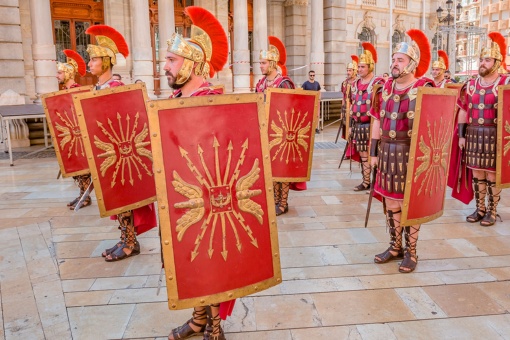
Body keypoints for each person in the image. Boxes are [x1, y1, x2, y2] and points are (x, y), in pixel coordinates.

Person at [164, 7, 229, 340]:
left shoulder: (213, 101)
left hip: (208, 199)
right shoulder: (174, 99)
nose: (166, 66)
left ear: (190, 64)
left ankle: (214, 329)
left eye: (172, 60)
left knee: (210, 260)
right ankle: (198, 319)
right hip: (180, 197)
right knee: (189, 258)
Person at [85, 24, 157, 262]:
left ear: (105, 61)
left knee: (125, 199)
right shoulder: (98, 88)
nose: (89, 63)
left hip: (122, 153)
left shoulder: (118, 88)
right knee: (116, 200)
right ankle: (125, 237)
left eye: (94, 59)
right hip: (107, 153)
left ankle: (130, 242)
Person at [369, 29, 433, 273]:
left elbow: (433, 125)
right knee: (390, 201)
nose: (395, 63)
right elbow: (376, 120)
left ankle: (412, 251)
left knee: (410, 203)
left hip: (411, 153)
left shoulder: (425, 87)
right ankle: (395, 246)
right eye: (394, 59)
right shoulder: (384, 88)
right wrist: (373, 153)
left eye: (400, 60)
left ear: (412, 64)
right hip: (386, 152)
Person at [457, 32, 509, 226]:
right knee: (477, 173)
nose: (483, 63)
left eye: (487, 59)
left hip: (496, 135)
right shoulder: (470, 85)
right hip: (473, 134)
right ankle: (479, 208)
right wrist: (462, 136)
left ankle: (492, 211)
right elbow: (463, 111)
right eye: (481, 59)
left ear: (497, 62)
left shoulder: (506, 83)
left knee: (493, 174)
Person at [255, 36, 304, 217]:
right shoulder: (261, 84)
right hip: (264, 132)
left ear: (273, 63)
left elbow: (292, 110)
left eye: (263, 63)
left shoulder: (284, 83)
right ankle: (274, 200)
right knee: (270, 168)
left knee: (282, 169)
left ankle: (283, 203)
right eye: (260, 63)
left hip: (282, 134)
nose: (260, 66)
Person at [56, 49, 92, 210]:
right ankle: (82, 194)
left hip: (81, 135)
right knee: (76, 168)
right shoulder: (64, 91)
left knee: (83, 168)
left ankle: (86, 197)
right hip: (71, 135)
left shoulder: (78, 89)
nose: (57, 76)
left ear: (68, 73)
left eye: (60, 72)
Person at [349, 42, 385, 191]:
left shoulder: (378, 83)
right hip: (359, 125)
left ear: (370, 66)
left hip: (372, 126)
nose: (359, 69)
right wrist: (351, 126)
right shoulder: (355, 83)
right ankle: (366, 181)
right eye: (359, 66)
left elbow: (382, 106)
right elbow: (352, 105)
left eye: (363, 66)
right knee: (363, 154)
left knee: (374, 154)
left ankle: (376, 182)